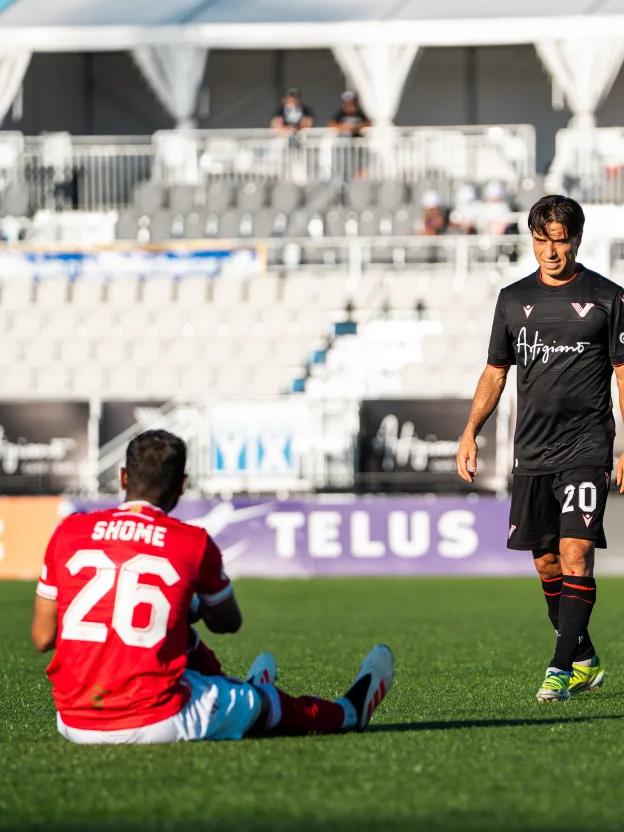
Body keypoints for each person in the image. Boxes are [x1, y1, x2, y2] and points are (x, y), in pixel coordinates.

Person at [32, 429, 393, 744]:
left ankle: (232, 690)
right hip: (156, 719)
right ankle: (348, 713)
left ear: (123, 477)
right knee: (266, 703)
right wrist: (187, 606)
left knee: (179, 634)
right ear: (183, 484)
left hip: (73, 720)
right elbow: (227, 622)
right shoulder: (190, 542)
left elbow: (42, 637)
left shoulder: (68, 531)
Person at [456, 195, 624, 702]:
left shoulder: (608, 297)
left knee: (576, 554)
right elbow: (495, 371)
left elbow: (623, 372)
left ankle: (558, 669)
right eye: (541, 239)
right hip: (532, 452)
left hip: (587, 447)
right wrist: (470, 431)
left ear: (577, 239)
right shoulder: (512, 299)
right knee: (546, 561)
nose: (550, 251)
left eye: (560, 239)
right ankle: (585, 657)